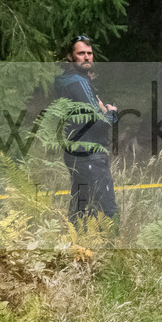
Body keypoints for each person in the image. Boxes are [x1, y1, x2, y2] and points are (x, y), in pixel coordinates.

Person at [54, 35, 119, 230]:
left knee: (79, 210)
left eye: (89, 53)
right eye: (81, 53)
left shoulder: (65, 81)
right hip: (89, 155)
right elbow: (100, 124)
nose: (86, 57)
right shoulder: (78, 82)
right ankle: (114, 253)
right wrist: (112, 113)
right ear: (70, 57)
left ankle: (74, 252)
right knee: (108, 211)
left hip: (76, 154)